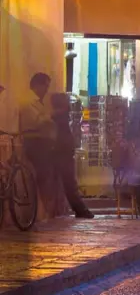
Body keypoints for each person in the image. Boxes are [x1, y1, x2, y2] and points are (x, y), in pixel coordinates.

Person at [20, 73, 59, 216]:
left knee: (45, 176)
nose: (46, 90)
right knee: (42, 176)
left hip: (43, 144)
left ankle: (43, 209)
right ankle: (39, 210)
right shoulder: (29, 101)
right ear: (37, 85)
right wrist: (49, 117)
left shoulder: (40, 102)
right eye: (45, 86)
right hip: (35, 144)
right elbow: (38, 122)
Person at [51, 93, 94, 218]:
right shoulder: (60, 116)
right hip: (63, 152)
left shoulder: (58, 115)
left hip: (62, 151)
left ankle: (79, 209)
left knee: (67, 183)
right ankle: (80, 210)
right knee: (70, 183)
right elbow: (62, 135)